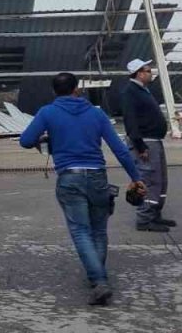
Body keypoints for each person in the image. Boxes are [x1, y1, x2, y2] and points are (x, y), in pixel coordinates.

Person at [20, 72, 145, 306]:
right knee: (98, 230)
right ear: (77, 89)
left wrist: (45, 138)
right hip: (98, 177)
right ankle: (97, 279)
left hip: (69, 178)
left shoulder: (48, 112)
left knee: (80, 231)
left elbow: (25, 140)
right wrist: (136, 178)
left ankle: (99, 280)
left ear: (54, 91)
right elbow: (119, 148)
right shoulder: (96, 113)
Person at [120, 58, 173, 232]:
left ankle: (155, 214)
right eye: (148, 70)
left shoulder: (142, 90)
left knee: (159, 180)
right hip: (145, 142)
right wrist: (140, 146)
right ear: (139, 73)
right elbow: (131, 121)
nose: (151, 73)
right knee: (148, 179)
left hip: (153, 140)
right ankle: (144, 218)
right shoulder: (131, 92)